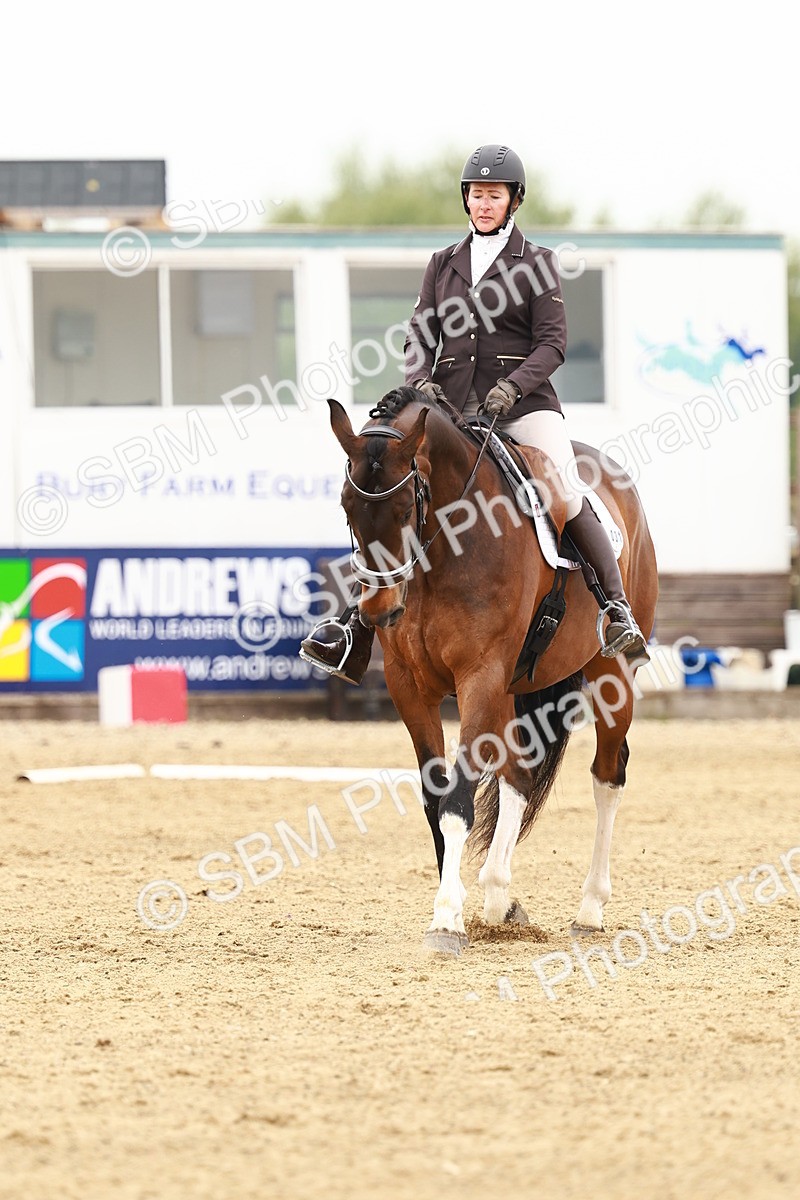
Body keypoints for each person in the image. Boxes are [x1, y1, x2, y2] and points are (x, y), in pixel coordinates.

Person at [301, 144, 649, 684]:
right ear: (467, 200)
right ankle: (355, 628)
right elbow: (420, 335)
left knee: (566, 490)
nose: (484, 204)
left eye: (494, 196)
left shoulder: (536, 263)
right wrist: (420, 381)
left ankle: (614, 607)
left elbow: (552, 343)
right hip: (452, 406)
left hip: (524, 406)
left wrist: (512, 387)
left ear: (513, 201)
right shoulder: (443, 263)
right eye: (477, 195)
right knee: (392, 487)